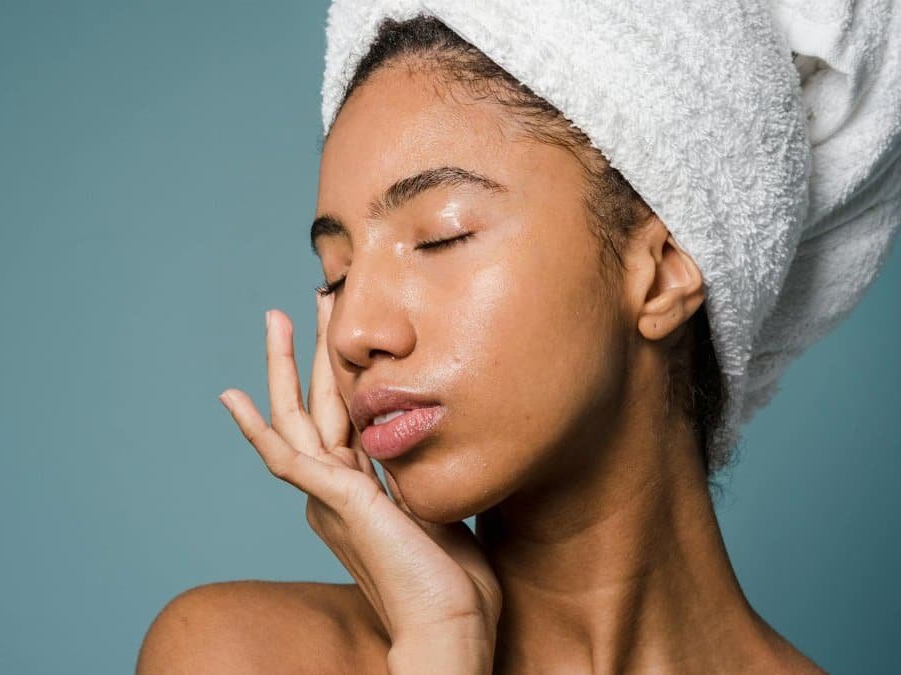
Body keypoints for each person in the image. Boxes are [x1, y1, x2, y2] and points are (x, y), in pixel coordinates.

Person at [138, 5, 896, 672]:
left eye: (440, 236)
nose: (355, 330)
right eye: (335, 274)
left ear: (663, 271)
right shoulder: (240, 655)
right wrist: (445, 646)